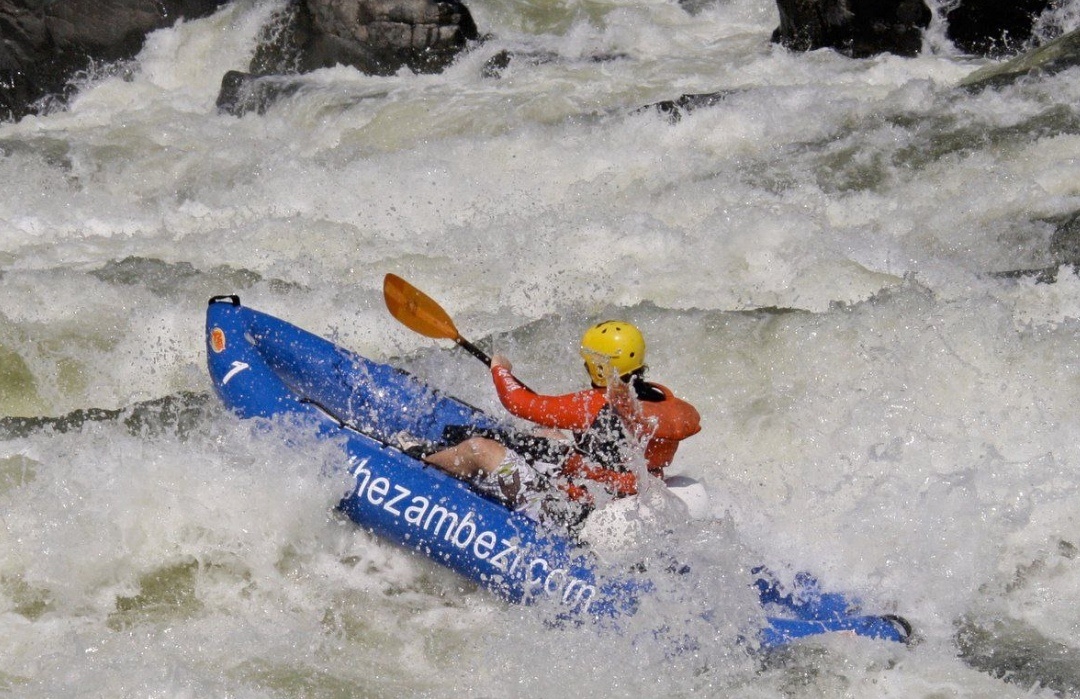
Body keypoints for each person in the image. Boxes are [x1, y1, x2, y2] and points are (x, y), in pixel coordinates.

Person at [422, 320, 701, 529]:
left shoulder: (597, 404)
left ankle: (419, 460)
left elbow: (519, 403)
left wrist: (499, 369)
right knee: (548, 433)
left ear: (599, 367)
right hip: (616, 501)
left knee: (478, 449)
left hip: (569, 512)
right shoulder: (661, 397)